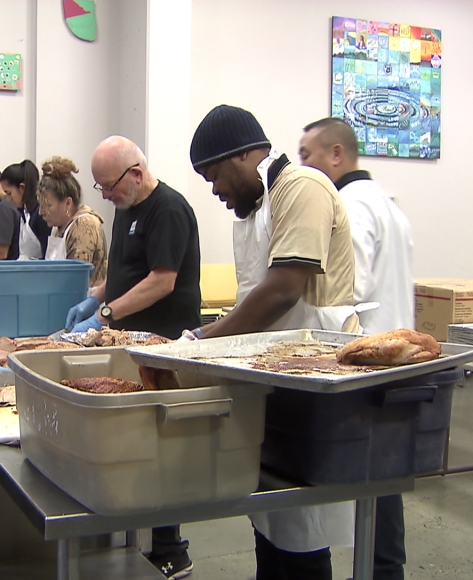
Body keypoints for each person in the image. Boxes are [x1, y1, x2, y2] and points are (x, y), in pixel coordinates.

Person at [186, 105, 359, 580]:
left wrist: (200, 342)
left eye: (214, 176)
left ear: (242, 156)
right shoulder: (258, 207)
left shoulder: (300, 187)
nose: (215, 190)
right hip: (273, 377)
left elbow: (284, 289)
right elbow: (252, 299)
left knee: (302, 518)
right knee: (269, 514)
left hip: (312, 379)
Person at [64, 135, 201, 579]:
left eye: (108, 187)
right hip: (128, 341)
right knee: (130, 443)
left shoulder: (169, 210)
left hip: (162, 346)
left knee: (159, 447)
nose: (104, 197)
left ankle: (170, 548)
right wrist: (93, 297)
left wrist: (105, 313)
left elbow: (162, 280)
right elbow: (123, 272)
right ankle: (131, 534)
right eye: (99, 188)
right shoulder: (126, 209)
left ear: (136, 174)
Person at [300, 116, 415, 580]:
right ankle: (387, 571)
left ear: (336, 155)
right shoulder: (388, 205)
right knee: (383, 479)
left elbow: (348, 290)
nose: (302, 165)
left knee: (369, 482)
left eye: (307, 155)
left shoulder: (348, 205)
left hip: (367, 362)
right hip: (396, 356)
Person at [37, 155, 108, 286]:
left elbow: (75, 282)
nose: (41, 212)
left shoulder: (84, 225)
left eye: (47, 206)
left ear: (67, 203)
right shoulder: (57, 228)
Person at [1, 160, 52, 260]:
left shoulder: (40, 216)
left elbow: (48, 258)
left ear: (22, 187)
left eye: (9, 193)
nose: (8, 199)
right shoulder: (25, 214)